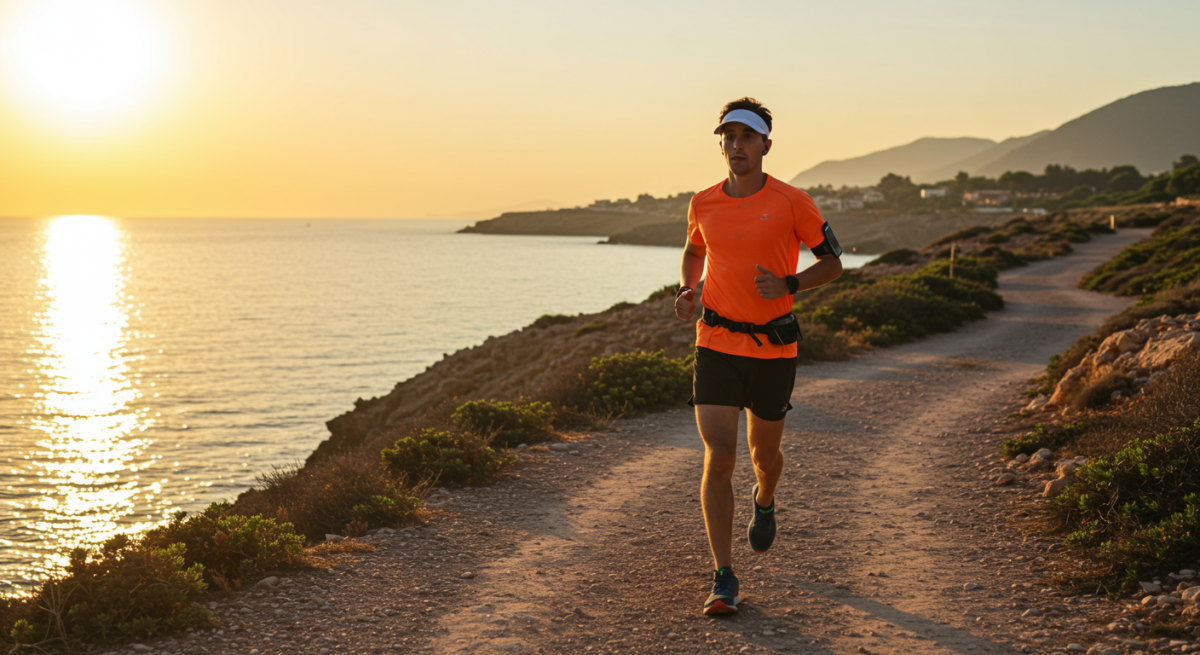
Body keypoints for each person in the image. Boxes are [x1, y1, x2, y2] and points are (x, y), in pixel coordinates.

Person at [674, 97, 843, 615]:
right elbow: (694, 248)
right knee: (720, 455)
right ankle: (724, 576)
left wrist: (790, 283)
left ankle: (765, 499)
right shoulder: (703, 202)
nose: (736, 146)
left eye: (747, 137)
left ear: (766, 145)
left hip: (773, 347)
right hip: (716, 343)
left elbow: (833, 263)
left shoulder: (793, 201)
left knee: (763, 458)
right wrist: (688, 289)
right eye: (728, 137)